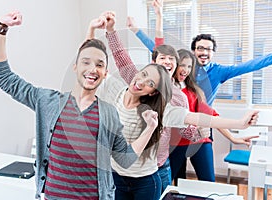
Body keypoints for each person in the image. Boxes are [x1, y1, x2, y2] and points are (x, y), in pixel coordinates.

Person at [0, 11, 165, 200]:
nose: (92, 69)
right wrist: (1, 28)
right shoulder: (48, 102)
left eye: (99, 64)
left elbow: (125, 158)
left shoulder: (108, 113)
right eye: (86, 62)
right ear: (75, 66)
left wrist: (151, 128)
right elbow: (2, 76)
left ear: (105, 73)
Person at [94, 10, 259, 194]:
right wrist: (111, 30)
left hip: (156, 167)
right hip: (122, 168)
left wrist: (203, 132)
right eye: (162, 58)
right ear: (153, 62)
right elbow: (121, 57)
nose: (167, 61)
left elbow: (192, 121)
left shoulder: (178, 97)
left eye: (172, 58)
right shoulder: (136, 81)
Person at [128, 0, 272, 182]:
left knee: (208, 182)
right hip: (175, 133)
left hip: (202, 132)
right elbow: (157, 50)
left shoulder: (220, 72)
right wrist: (148, 23)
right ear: (193, 52)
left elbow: (252, 65)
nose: (204, 52)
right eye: (200, 48)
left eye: (208, 49)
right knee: (175, 182)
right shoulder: (179, 72)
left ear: (213, 53)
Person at [170, 49, 258, 185]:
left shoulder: (194, 91)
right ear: (174, 65)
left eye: (189, 66)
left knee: (209, 183)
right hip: (176, 144)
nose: (186, 70)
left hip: (200, 141)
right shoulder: (167, 90)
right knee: (174, 182)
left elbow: (211, 115)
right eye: (183, 65)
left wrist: (233, 138)